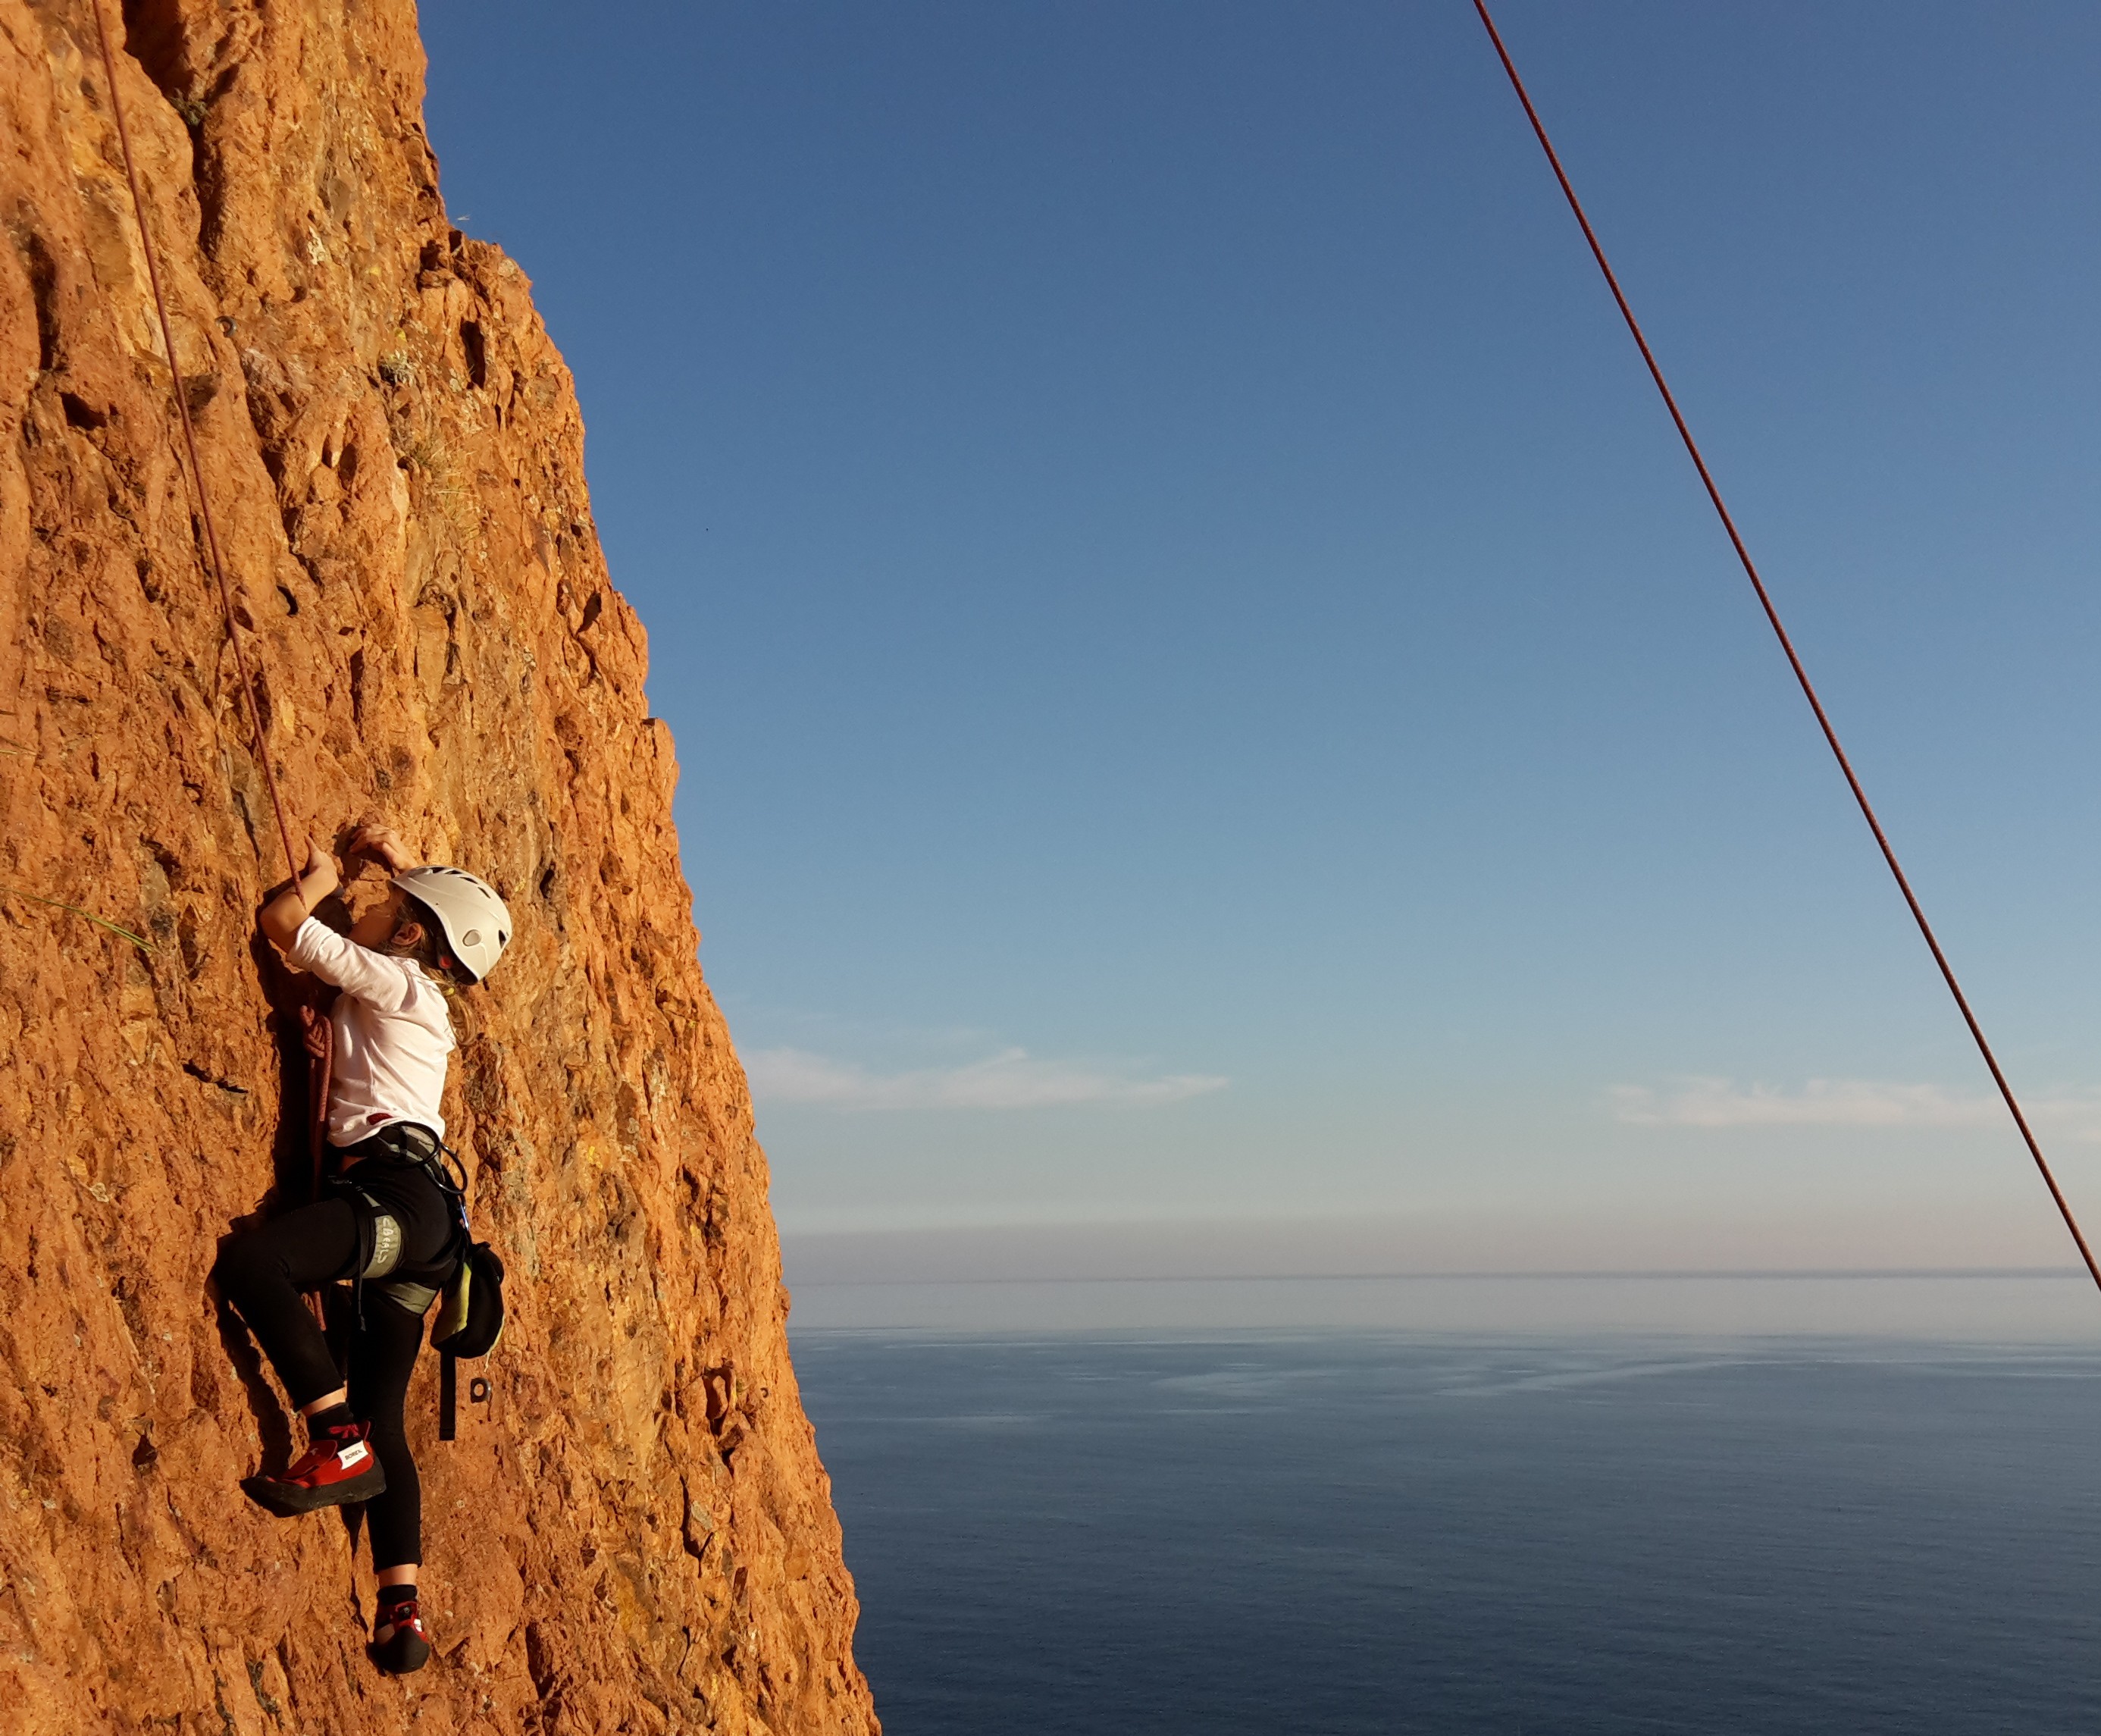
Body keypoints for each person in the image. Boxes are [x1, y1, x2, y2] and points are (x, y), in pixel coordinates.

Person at [213, 824, 512, 1675]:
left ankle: (330, 1432)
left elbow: (283, 924)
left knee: (255, 1265)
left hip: (394, 1199)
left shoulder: (399, 984)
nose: (374, 914)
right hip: (428, 1231)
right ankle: (403, 1609)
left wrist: (316, 878)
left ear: (414, 936)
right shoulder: (414, 1000)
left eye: (392, 912)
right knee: (393, 1422)